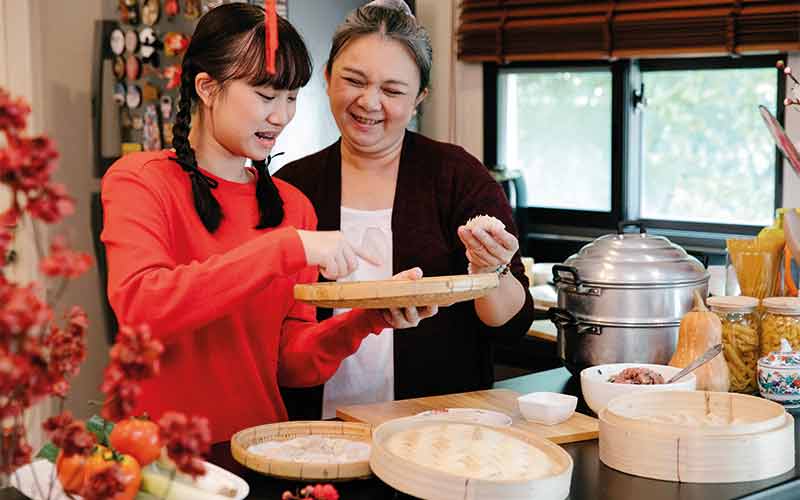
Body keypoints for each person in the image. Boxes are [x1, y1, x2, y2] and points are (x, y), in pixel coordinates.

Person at [100, 3, 436, 442]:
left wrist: (366, 319)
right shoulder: (140, 181)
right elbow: (144, 309)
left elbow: (291, 365)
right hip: (151, 457)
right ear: (206, 87)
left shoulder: (293, 208)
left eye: (292, 97)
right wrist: (285, 249)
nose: (281, 116)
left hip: (258, 449)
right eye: (265, 95)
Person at [275, 0, 535, 420]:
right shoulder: (291, 185)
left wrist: (491, 272)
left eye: (392, 91)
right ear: (326, 79)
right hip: (314, 430)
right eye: (353, 80)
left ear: (419, 98)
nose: (369, 102)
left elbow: (510, 325)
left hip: (434, 428)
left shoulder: (457, 177)